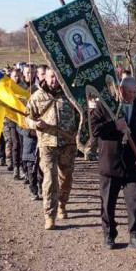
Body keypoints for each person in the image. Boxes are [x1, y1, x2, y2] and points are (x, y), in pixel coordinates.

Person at [89, 76, 136, 250]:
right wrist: (114, 125)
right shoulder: (105, 106)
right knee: (108, 204)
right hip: (110, 164)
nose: (132, 96)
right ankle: (109, 234)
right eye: (129, 92)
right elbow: (94, 130)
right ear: (121, 90)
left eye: (135, 92)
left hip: (133, 164)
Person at [26, 68, 79, 230]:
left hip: (67, 144)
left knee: (66, 178)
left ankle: (63, 203)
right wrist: (34, 124)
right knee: (49, 178)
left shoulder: (70, 95)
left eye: (56, 77)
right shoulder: (37, 96)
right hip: (47, 144)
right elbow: (26, 117)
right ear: (45, 78)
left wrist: (80, 137)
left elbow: (80, 117)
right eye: (51, 77)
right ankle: (49, 215)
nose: (54, 80)